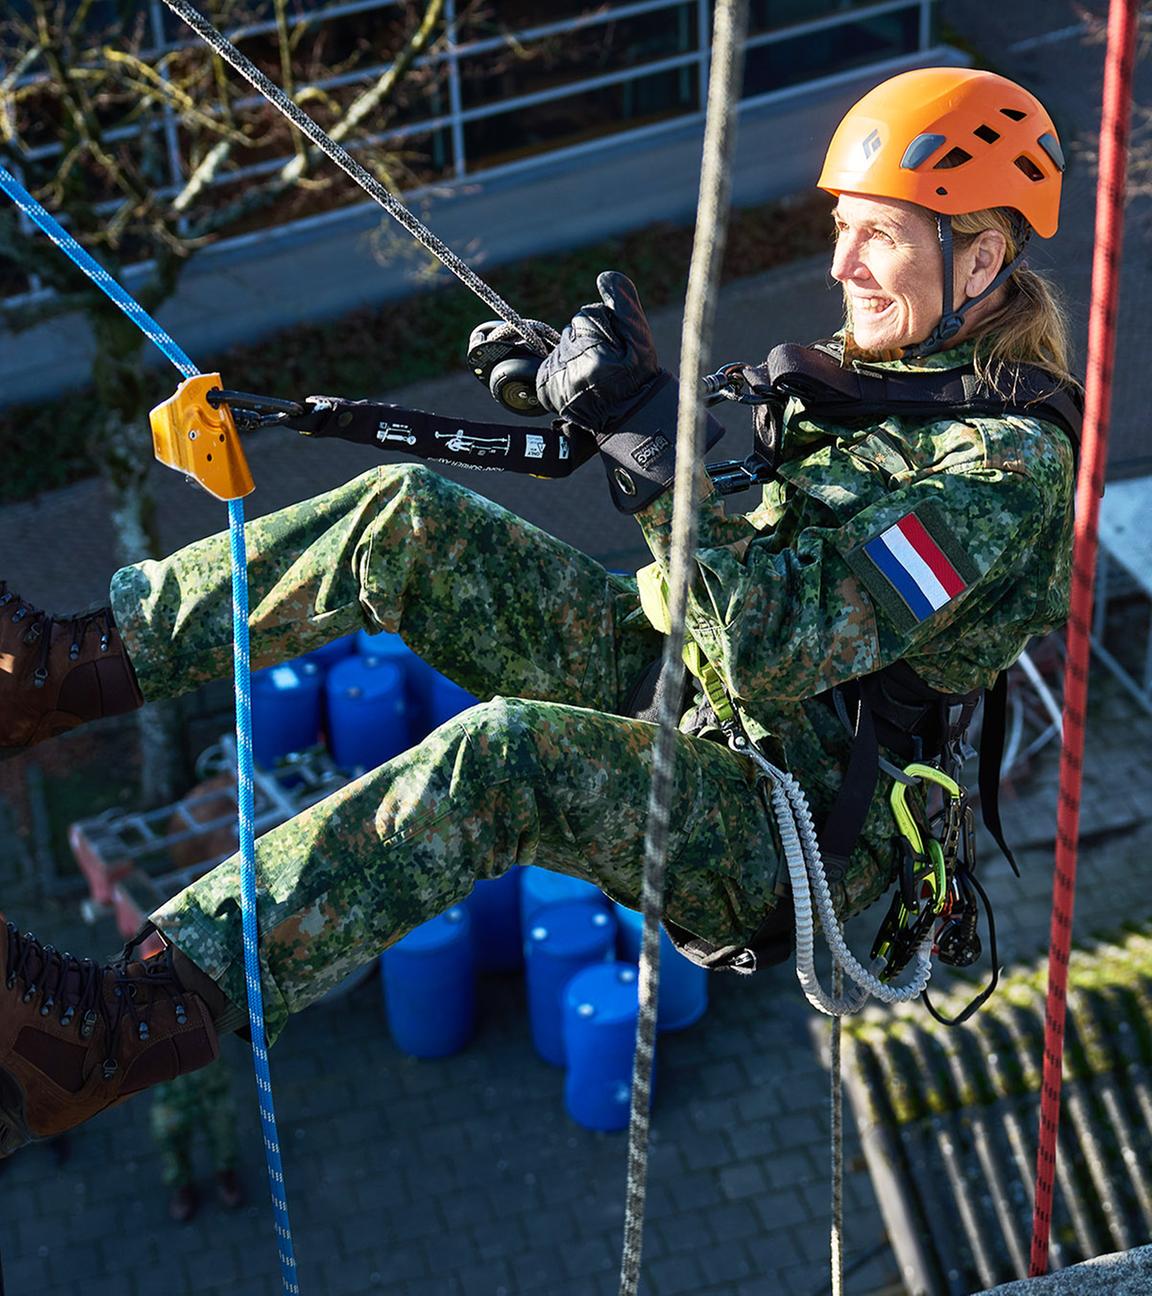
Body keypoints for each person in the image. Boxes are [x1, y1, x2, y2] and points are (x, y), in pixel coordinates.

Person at [0, 67, 1078, 1156]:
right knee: (401, 520)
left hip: (795, 818)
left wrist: (651, 457)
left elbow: (771, 641)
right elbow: (738, 548)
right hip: (702, 689)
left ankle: (124, 1026)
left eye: (881, 237)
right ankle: (56, 670)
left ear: (981, 257)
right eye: (843, 228)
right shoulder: (880, 379)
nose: (841, 265)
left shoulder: (1001, 474)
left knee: (506, 760)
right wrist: (609, 413)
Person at [150, 1061, 244, 1222]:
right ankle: (182, 1184)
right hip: (172, 1092)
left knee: (224, 1133)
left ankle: (226, 1173)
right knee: (167, 1138)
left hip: (212, 1087)